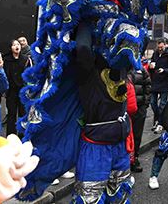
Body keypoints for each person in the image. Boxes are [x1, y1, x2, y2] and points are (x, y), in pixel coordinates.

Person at [72, 21, 132, 203]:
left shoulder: (121, 66)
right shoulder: (88, 71)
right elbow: (82, 49)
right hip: (96, 148)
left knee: (120, 194)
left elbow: (138, 41)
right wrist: (86, 20)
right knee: (91, 197)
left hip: (120, 146)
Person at [2, 40, 30, 136]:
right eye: (14, 45)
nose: (16, 46)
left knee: (23, 114)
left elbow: (30, 74)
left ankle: (22, 136)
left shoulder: (26, 59)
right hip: (11, 91)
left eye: (18, 44)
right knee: (11, 114)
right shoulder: (6, 59)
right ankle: (11, 135)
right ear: (11, 47)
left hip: (22, 90)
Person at [149, 39, 168, 133]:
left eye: (161, 47)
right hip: (155, 81)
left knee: (162, 104)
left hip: (165, 81)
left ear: (165, 45)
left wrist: (164, 70)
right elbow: (152, 63)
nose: (160, 49)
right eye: (159, 47)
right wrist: (151, 66)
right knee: (153, 103)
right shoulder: (155, 53)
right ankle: (157, 119)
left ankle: (160, 123)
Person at [127, 65, 151, 173]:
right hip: (125, 109)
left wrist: (145, 104)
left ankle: (134, 158)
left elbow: (148, 86)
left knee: (137, 135)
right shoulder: (122, 68)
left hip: (139, 108)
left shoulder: (141, 70)